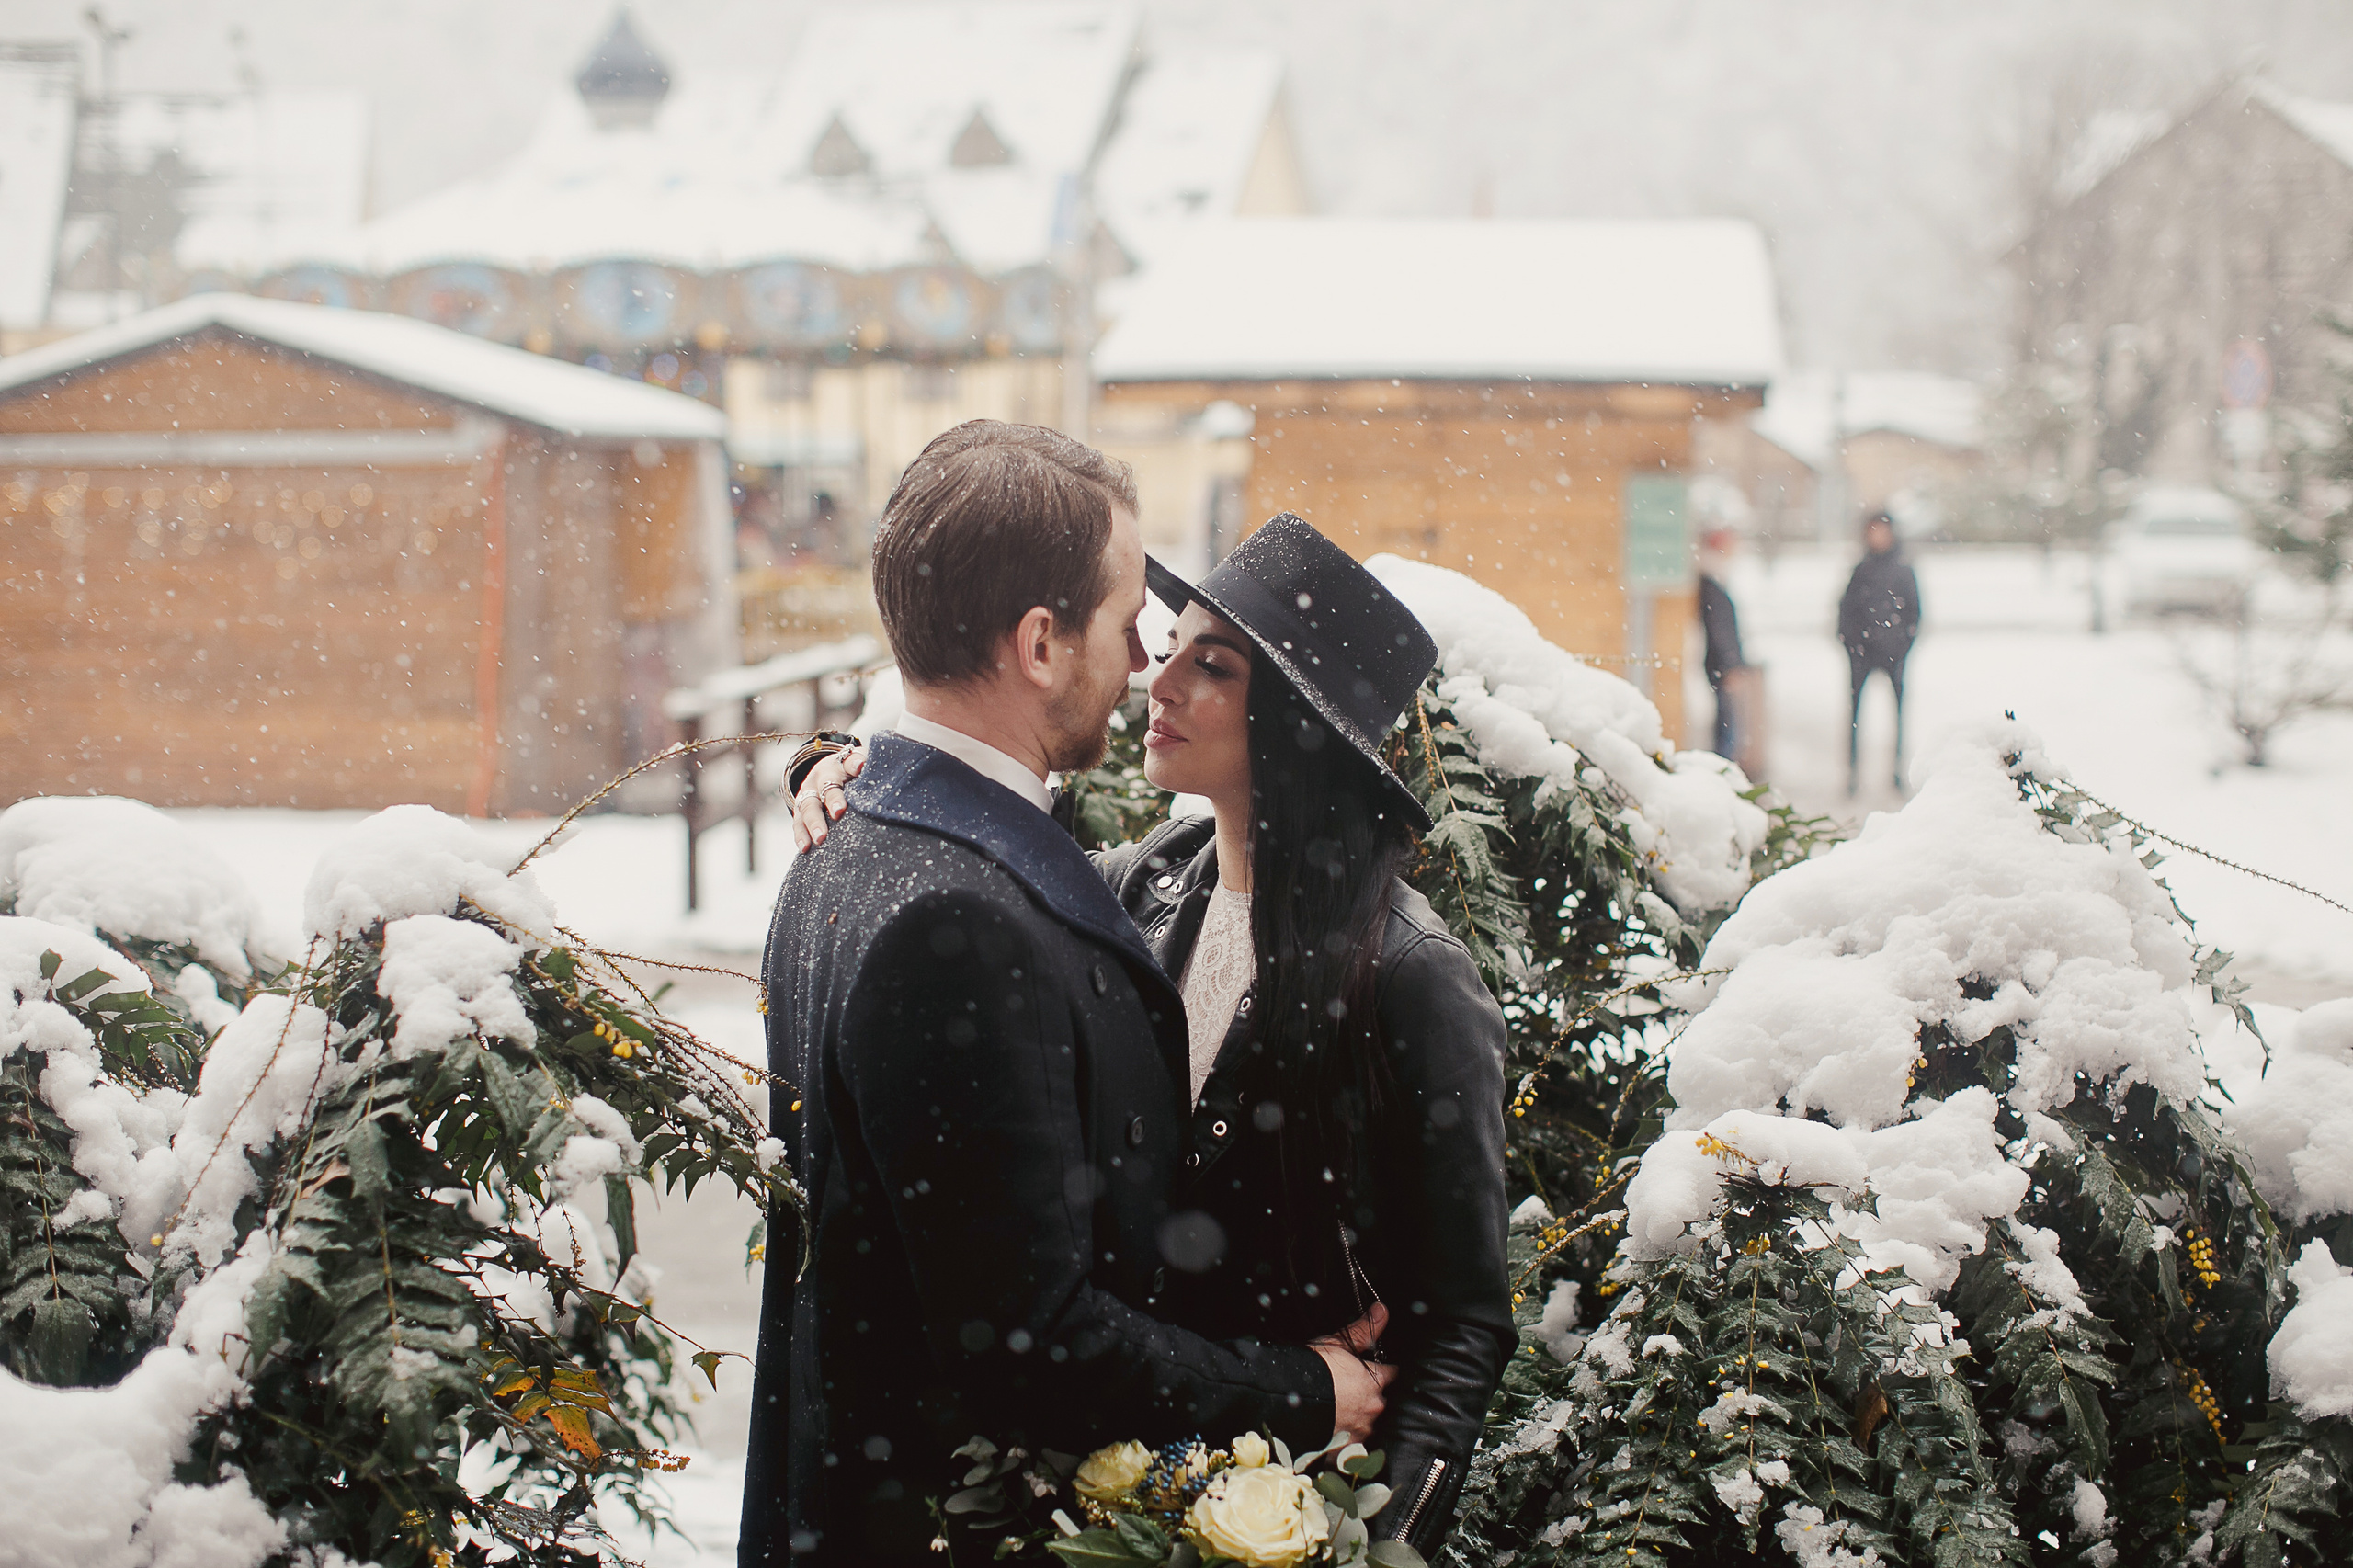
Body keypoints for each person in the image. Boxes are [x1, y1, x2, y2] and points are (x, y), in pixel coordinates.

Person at [793, 516, 1514, 1561]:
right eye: (1167, 641)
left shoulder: (1409, 977)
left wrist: (1378, 1538)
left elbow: (1465, 1324)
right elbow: (975, 839)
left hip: (1293, 1502)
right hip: (1118, 1487)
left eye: (1210, 664)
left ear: (1301, 725)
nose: (1157, 680)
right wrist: (838, 766)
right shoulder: (1142, 883)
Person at [1836, 508, 1921, 794]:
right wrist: (1851, 645)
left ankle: (1896, 771)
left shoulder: (1903, 569)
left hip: (1893, 655)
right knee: (1855, 716)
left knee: (1896, 715)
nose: (1877, 536)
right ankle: (1853, 773)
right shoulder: (1861, 568)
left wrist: (1901, 646)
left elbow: (1915, 613)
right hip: (1860, 654)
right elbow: (1845, 610)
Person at [1696, 527, 1749, 759]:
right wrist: (1731, 665)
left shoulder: (1714, 577)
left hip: (1719, 662)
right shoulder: (1712, 579)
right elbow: (1720, 628)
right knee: (1726, 724)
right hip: (1720, 664)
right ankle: (1722, 765)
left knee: (1726, 721)